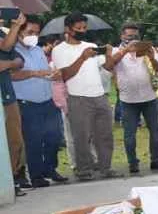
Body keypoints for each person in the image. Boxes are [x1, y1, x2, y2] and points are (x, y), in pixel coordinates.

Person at [52, 11, 122, 181]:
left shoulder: (90, 45)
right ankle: (83, 170)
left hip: (100, 95)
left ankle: (105, 167)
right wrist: (82, 58)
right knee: (81, 137)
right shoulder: (59, 50)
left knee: (105, 135)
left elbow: (107, 68)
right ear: (68, 29)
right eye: (79, 28)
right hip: (78, 97)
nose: (83, 30)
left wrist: (108, 55)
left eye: (85, 27)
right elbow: (65, 74)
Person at [104, 23, 158, 174]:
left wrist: (151, 57)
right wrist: (126, 50)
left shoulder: (147, 49)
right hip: (128, 100)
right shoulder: (116, 50)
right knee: (129, 134)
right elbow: (108, 66)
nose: (133, 39)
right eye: (129, 36)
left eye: (136, 36)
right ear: (122, 36)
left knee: (155, 130)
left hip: (149, 97)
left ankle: (156, 160)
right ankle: (133, 163)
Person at [12, 15, 67, 188]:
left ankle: (50, 169)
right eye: (30, 32)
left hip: (47, 100)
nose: (33, 35)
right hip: (27, 103)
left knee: (54, 137)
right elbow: (11, 76)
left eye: (36, 32)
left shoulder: (37, 50)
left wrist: (54, 74)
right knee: (33, 140)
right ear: (19, 31)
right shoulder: (11, 51)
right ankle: (36, 176)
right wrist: (34, 73)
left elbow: (45, 72)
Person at [0, 11, 27, 196]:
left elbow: (17, 58)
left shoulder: (2, 33)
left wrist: (16, 26)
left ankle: (11, 180)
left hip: (7, 95)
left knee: (14, 140)